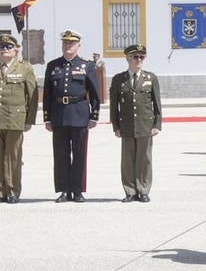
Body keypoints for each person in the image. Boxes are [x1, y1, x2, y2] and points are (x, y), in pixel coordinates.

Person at [0, 34, 38, 204]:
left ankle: (12, 191)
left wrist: (29, 120)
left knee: (13, 157)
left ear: (16, 50)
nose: (4, 49)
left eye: (8, 47)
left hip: (15, 119)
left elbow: (32, 96)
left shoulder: (24, 69)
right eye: (1, 47)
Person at [43, 29, 100, 202]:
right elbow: (47, 93)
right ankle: (63, 190)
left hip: (79, 113)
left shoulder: (86, 65)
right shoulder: (53, 66)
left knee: (79, 154)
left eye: (71, 43)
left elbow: (94, 92)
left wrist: (94, 115)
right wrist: (47, 117)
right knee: (61, 155)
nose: (67, 45)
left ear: (78, 46)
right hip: (59, 114)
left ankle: (77, 190)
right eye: (65, 42)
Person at [109, 44, 162, 203]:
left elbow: (157, 103)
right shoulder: (119, 79)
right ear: (128, 58)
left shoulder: (150, 78)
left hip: (145, 125)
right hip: (126, 126)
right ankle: (130, 191)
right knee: (128, 160)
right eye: (135, 57)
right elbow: (114, 105)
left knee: (144, 159)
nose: (139, 60)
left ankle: (143, 190)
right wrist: (116, 126)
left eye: (141, 57)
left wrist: (157, 124)